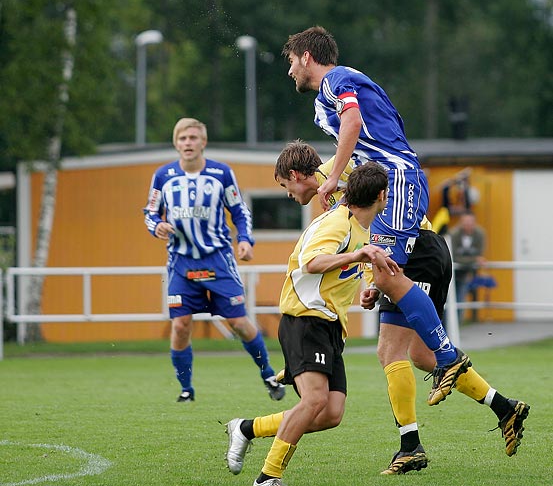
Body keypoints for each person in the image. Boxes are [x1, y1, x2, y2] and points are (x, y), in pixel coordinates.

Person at [273, 140, 530, 471]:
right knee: (423, 357)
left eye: (284, 186)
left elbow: (378, 206)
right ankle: (504, 408)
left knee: (389, 351)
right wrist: (370, 280)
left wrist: (378, 274)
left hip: (414, 251)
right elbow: (366, 232)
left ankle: (411, 447)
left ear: (296, 174)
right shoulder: (334, 191)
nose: (288, 195)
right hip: (416, 250)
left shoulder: (336, 178)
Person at [225, 163, 402, 485]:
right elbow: (312, 262)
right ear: (381, 195)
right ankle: (268, 477)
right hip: (306, 319)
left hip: (330, 326)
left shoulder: (361, 227)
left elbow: (349, 266)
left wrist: (369, 290)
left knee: (330, 413)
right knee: (314, 401)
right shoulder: (338, 222)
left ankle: (246, 428)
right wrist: (357, 257)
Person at [143, 117, 285, 403]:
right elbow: (150, 212)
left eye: (193, 138)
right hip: (181, 263)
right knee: (181, 324)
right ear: (176, 143)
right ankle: (186, 388)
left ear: (203, 142)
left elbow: (239, 211)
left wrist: (245, 239)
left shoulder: (221, 173)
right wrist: (156, 226)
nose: (188, 144)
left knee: (239, 323)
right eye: (183, 139)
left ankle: (268, 373)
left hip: (218, 260)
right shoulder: (163, 176)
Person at [450, 210, 494, 323]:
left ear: (474, 222)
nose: (468, 225)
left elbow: (480, 254)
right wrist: (473, 259)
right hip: (451, 273)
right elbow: (453, 256)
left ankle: (456, 327)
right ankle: (448, 326)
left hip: (467, 273)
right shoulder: (453, 234)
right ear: (461, 222)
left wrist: (471, 261)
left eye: (470, 222)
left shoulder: (480, 234)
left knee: (460, 299)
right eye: (465, 222)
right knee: (448, 301)